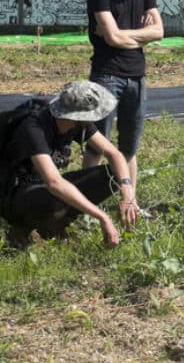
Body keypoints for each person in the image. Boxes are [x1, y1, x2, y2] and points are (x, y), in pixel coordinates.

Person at [1, 81, 141, 247]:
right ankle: (23, 229)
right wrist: (102, 217)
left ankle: (55, 224)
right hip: (12, 195)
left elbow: (114, 154)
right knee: (58, 196)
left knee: (112, 175)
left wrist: (127, 189)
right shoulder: (33, 128)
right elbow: (54, 183)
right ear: (76, 115)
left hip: (40, 186)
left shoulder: (76, 124)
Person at [84, 0, 165, 187]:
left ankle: (130, 201)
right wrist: (140, 36)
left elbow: (159, 31)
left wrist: (122, 34)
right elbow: (112, 39)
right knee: (97, 143)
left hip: (137, 76)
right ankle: (86, 204)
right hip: (106, 75)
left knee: (129, 146)